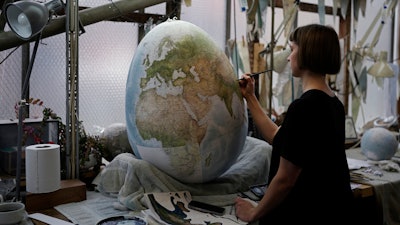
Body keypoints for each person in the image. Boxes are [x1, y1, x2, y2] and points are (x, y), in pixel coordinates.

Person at [235, 24, 355, 224]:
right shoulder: (333, 103)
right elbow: (279, 138)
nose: (289, 57)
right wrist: (250, 97)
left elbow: (285, 179)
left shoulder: (304, 107)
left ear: (307, 53)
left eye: (292, 50)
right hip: (334, 211)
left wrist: (254, 213)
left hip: (306, 215)